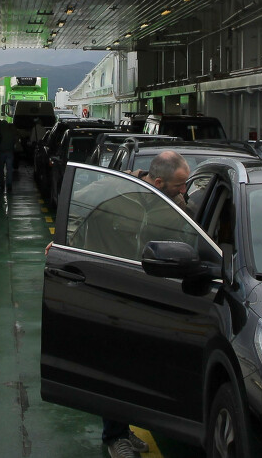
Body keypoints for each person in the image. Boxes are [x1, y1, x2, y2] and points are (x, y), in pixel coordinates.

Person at [98, 150, 190, 458]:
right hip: (117, 292)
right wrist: (62, 241)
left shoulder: (177, 207)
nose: (184, 190)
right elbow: (79, 211)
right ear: (159, 181)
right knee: (116, 367)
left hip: (153, 296)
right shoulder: (119, 193)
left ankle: (126, 429)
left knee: (140, 368)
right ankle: (114, 436)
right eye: (179, 184)